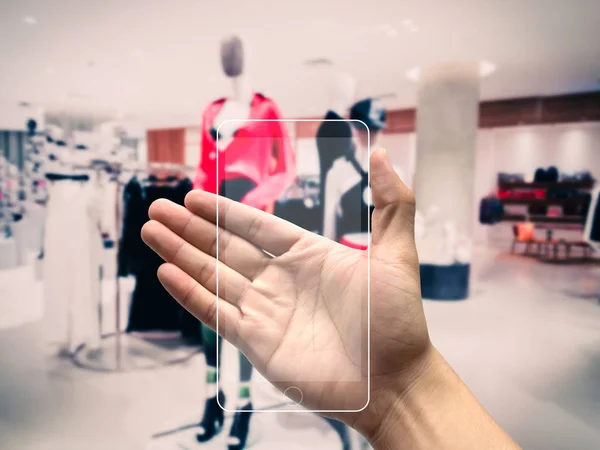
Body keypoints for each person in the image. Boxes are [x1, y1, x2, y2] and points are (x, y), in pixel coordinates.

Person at [141, 148, 521, 450]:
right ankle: (213, 403)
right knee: (220, 323)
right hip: (222, 221)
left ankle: (240, 410)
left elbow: (285, 170)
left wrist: (400, 384)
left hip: (265, 223)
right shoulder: (216, 122)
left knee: (241, 332)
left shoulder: (274, 117)